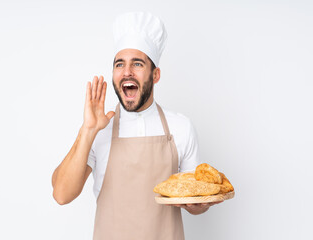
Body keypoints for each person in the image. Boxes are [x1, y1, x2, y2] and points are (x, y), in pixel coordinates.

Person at [52, 12, 222, 240]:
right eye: (119, 64)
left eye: (138, 63)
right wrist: (88, 130)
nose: (127, 71)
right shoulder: (99, 132)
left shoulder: (180, 127)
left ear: (156, 75)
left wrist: (198, 206)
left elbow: (195, 199)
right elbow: (62, 194)